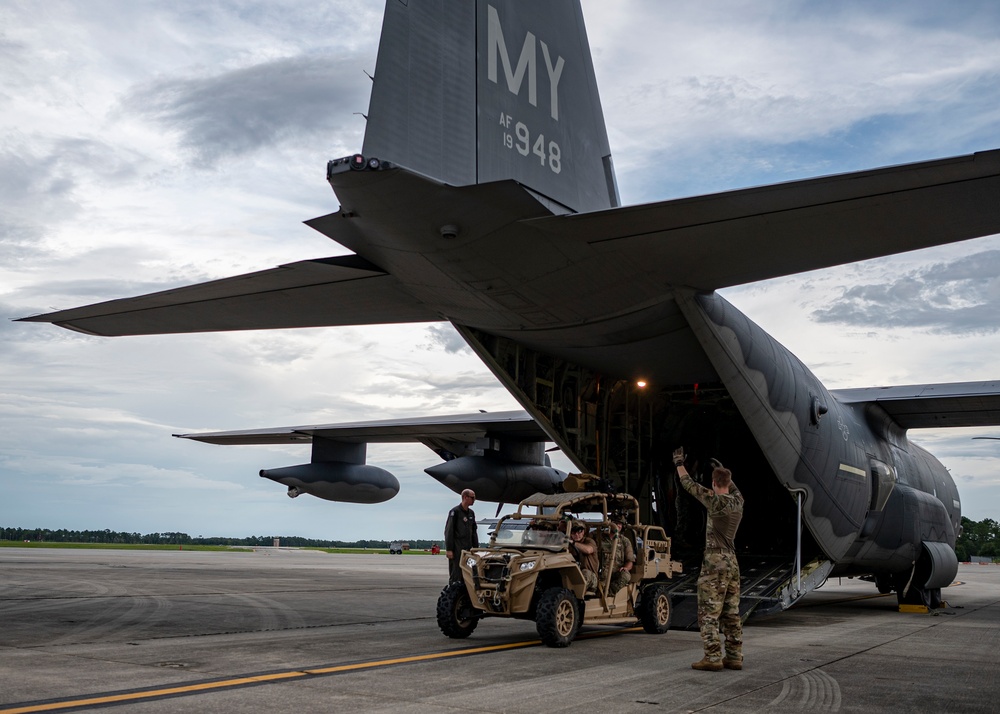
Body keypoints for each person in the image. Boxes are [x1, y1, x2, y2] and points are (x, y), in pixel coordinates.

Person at [674, 447, 744, 672]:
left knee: (708, 612)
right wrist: (722, 472)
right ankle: (734, 656)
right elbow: (734, 489)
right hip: (732, 562)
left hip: (715, 562)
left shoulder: (714, 501)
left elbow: (688, 485)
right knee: (731, 613)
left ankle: (713, 657)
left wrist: (678, 464)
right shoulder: (737, 502)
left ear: (714, 484)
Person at [444, 489, 478, 582]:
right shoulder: (455, 512)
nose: (474, 500)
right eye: (472, 497)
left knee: (468, 573)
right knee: (456, 573)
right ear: (465, 497)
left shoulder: (471, 513)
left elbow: (474, 531)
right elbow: (449, 531)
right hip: (457, 548)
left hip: (468, 548)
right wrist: (449, 549)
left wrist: (476, 548)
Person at [601, 514, 635, 596]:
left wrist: (625, 568)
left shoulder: (624, 541)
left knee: (626, 575)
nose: (618, 526)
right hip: (602, 572)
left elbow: (630, 560)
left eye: (620, 524)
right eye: (616, 523)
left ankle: (609, 594)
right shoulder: (599, 536)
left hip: (616, 573)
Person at [569, 522, 599, 592]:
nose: (576, 534)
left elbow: (588, 550)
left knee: (585, 573)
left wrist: (573, 543)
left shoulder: (589, 541)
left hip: (591, 577)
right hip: (574, 574)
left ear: (583, 532)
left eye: (579, 531)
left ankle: (576, 595)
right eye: (573, 532)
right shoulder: (568, 544)